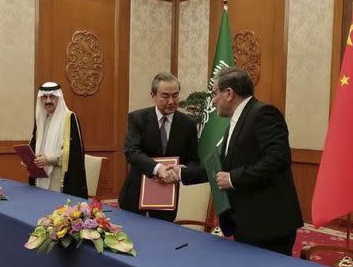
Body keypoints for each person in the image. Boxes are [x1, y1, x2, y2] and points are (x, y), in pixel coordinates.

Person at [212, 67, 303, 255]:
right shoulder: (237, 121)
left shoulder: (263, 113)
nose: (213, 101)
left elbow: (277, 159)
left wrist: (234, 179)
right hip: (246, 223)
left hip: (268, 226)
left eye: (214, 93)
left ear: (229, 93)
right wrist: (180, 173)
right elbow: (222, 167)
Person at [118, 73, 206, 222]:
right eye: (165, 96)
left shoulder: (188, 124)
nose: (171, 101)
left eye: (175, 95)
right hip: (136, 194)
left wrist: (182, 170)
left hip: (168, 196)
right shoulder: (138, 118)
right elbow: (131, 152)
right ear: (153, 95)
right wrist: (158, 169)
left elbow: (193, 160)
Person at [28, 82, 88, 199]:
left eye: (52, 97)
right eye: (44, 97)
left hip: (59, 179)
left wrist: (49, 159)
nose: (48, 101)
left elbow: (74, 153)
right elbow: (34, 144)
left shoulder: (69, 118)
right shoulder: (41, 118)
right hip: (40, 176)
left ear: (59, 98)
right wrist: (29, 160)